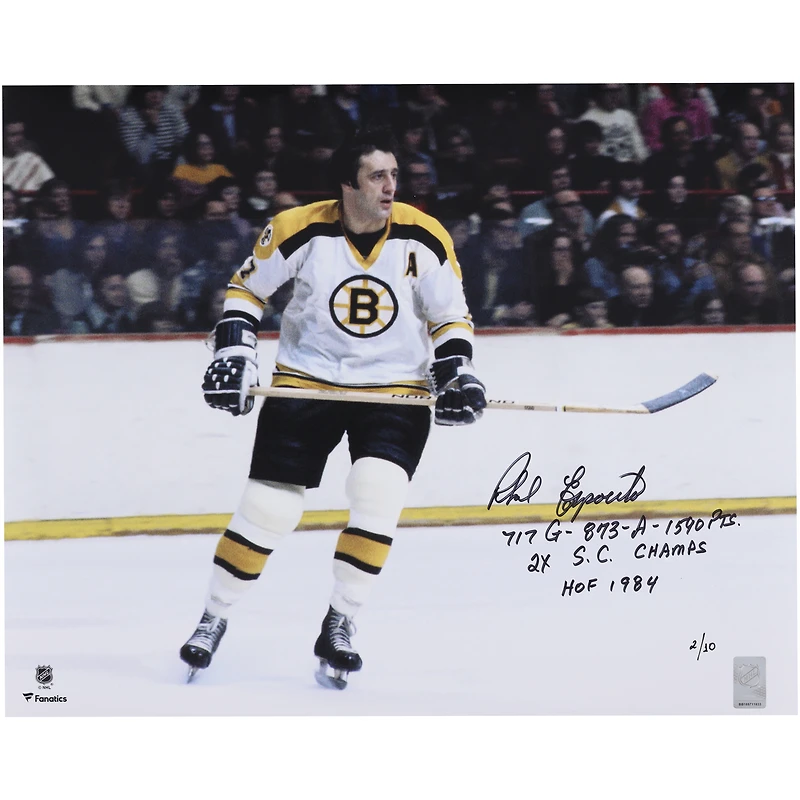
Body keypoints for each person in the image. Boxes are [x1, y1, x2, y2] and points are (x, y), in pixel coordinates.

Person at [180, 125, 487, 688]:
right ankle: (214, 615)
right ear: (348, 184)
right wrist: (236, 352)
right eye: (377, 176)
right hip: (308, 379)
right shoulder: (297, 228)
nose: (391, 186)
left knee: (378, 494)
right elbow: (246, 291)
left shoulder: (424, 235)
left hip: (394, 387)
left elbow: (450, 315)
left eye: (394, 175)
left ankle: (340, 622)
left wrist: (457, 370)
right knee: (268, 508)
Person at [578, 84, 649, 163]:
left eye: (617, 91)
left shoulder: (627, 116)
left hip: (632, 166)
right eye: (609, 91)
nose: (614, 96)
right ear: (598, 93)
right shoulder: (587, 119)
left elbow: (639, 147)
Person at [2, 118, 57, 195]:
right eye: (13, 135)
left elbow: (52, 187)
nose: (19, 139)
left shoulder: (34, 160)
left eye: (21, 134)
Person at [714, 121, 772, 191]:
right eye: (748, 138)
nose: (753, 143)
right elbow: (726, 193)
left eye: (756, 138)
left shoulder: (765, 163)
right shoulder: (721, 166)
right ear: (736, 141)